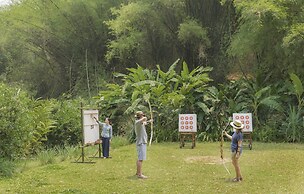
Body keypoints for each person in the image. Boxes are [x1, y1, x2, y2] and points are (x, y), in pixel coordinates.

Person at [134, 111, 152, 179]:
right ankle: (139, 174)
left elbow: (144, 123)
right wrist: (144, 118)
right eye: (142, 115)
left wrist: (149, 121)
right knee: (140, 159)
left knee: (139, 158)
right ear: (140, 116)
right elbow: (143, 120)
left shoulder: (140, 123)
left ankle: (138, 172)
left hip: (141, 142)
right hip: (141, 142)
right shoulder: (137, 122)